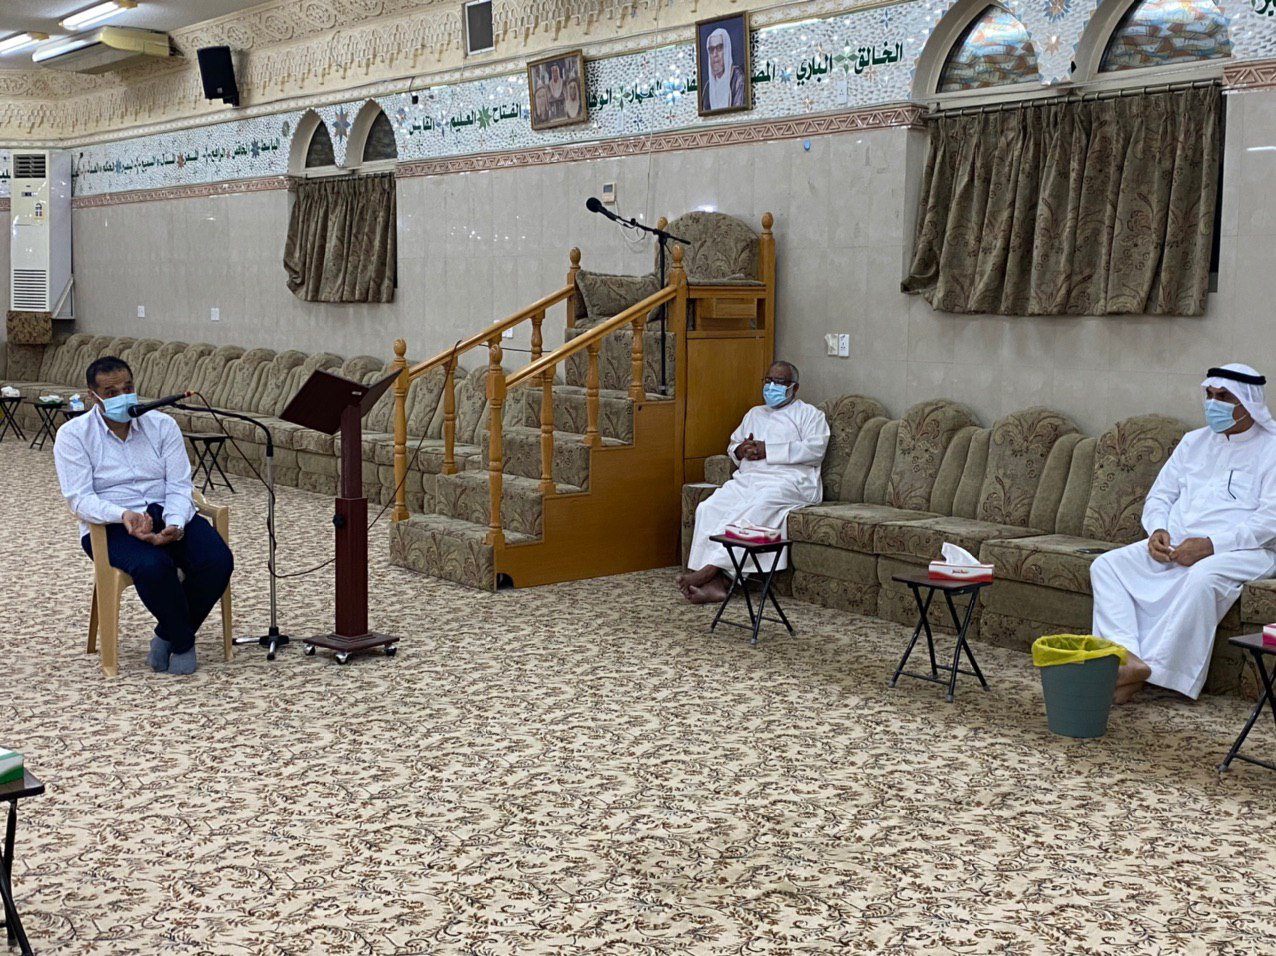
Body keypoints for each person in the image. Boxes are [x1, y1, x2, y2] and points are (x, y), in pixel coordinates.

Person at [1090, 364, 1276, 703]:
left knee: (1202, 578)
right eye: (1210, 395)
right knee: (1106, 566)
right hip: (1175, 544)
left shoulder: (1272, 449)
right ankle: (1125, 658)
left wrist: (1209, 546)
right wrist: (1157, 530)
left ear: (1248, 403)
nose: (1213, 404)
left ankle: (1157, 672)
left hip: (1245, 551)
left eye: (1224, 397)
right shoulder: (1193, 442)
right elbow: (1160, 496)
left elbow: (1269, 521)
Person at [54, 356, 234, 675]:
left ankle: (167, 635)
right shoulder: (73, 435)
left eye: (128, 389)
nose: (122, 397)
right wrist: (123, 514)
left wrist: (175, 522)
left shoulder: (162, 425)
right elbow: (79, 499)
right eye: (111, 393)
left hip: (165, 509)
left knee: (217, 560)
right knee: (154, 566)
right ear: (93, 396)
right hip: (111, 522)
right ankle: (183, 643)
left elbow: (179, 484)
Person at [678, 361, 829, 603]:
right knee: (708, 508)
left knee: (755, 510)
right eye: (768, 381)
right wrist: (741, 450)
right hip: (749, 479)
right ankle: (712, 582)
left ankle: (713, 572)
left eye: (779, 382)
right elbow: (733, 445)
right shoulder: (754, 413)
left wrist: (769, 450)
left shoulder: (810, 415)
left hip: (789, 482)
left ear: (795, 388)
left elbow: (815, 450)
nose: (772, 387)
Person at [703, 26, 747, 111]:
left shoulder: (737, 78)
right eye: (711, 50)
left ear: (726, 50)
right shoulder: (707, 88)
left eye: (719, 48)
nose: (715, 54)